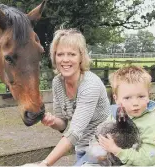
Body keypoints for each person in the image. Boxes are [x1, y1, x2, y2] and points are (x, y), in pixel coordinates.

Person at [38, 28, 110, 166]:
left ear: (81, 57)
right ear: (54, 57)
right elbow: (63, 123)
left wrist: (45, 164)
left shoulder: (90, 85)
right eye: (60, 54)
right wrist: (52, 121)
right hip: (82, 149)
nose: (65, 59)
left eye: (71, 54)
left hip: (104, 150)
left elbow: (74, 133)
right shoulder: (58, 83)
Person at [86, 65, 155, 166]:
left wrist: (118, 151)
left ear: (148, 95)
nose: (135, 103)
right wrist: (98, 148)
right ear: (116, 99)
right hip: (119, 161)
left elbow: (149, 157)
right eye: (127, 98)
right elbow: (101, 135)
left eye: (141, 96)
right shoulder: (115, 116)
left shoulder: (151, 123)